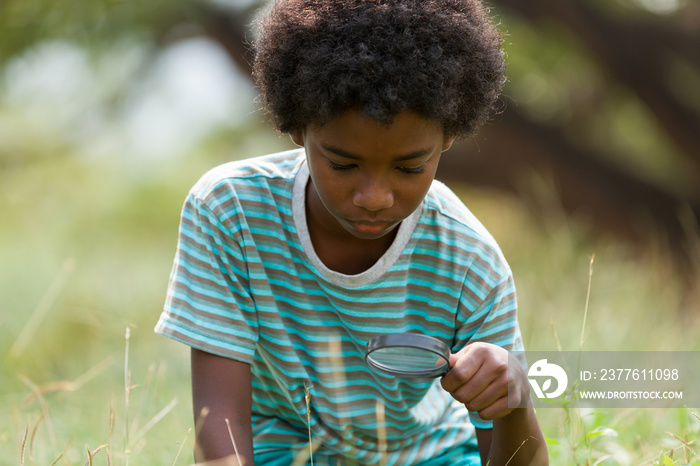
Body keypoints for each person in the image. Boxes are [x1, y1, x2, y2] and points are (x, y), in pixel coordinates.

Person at [155, 0, 548, 464]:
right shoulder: (230, 211)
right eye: (342, 163)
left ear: (448, 136)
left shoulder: (468, 258)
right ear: (298, 127)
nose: (374, 196)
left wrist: (514, 398)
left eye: (409, 167)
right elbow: (220, 422)